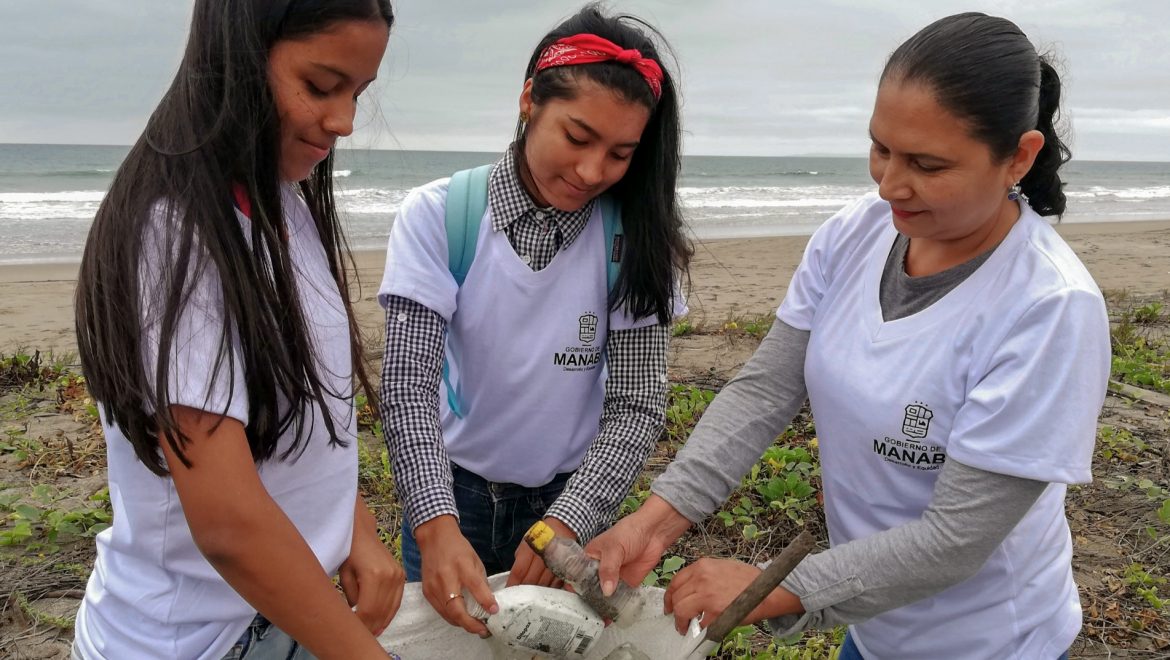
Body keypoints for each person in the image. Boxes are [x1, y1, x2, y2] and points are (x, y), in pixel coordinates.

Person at [586, 12, 1110, 660]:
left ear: (1019, 157)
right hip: (875, 627)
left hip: (991, 641)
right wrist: (657, 520)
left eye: (927, 164)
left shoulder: (1049, 309)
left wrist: (775, 588)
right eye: (880, 149)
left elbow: (956, 539)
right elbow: (765, 389)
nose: (890, 184)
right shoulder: (855, 232)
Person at [72, 1, 403, 658]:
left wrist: (353, 526)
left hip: (278, 614)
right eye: (320, 85)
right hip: (191, 641)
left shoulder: (282, 195)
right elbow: (227, 522)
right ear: (237, 57)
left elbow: (300, 423)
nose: (342, 122)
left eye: (358, 93)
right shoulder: (176, 235)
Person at [376, 2, 690, 637]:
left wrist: (567, 521)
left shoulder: (635, 242)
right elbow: (408, 383)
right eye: (577, 137)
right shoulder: (440, 217)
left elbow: (636, 407)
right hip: (450, 494)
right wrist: (434, 524)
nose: (591, 171)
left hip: (570, 498)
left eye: (621, 153)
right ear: (529, 101)